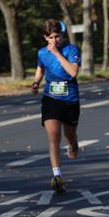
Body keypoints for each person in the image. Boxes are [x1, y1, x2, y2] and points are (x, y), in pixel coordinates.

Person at [30, 19, 81, 193]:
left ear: (62, 35)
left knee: (69, 135)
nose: (55, 40)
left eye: (57, 36)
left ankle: (73, 143)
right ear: (45, 37)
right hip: (51, 97)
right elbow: (41, 69)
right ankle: (57, 175)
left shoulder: (71, 50)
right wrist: (36, 82)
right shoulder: (42, 53)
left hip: (70, 99)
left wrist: (57, 53)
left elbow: (73, 72)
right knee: (53, 136)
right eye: (51, 37)